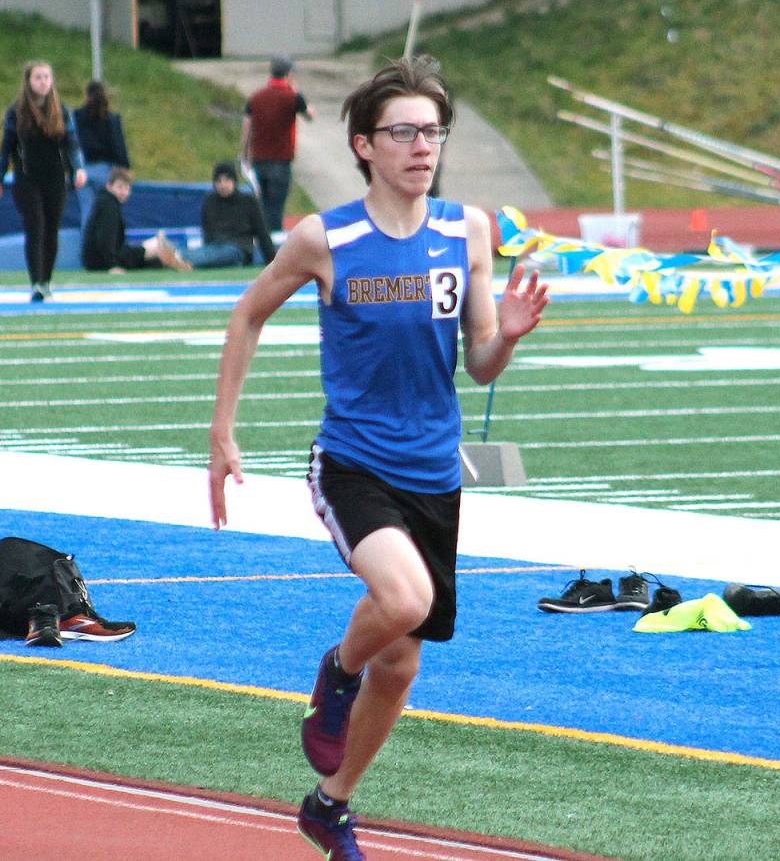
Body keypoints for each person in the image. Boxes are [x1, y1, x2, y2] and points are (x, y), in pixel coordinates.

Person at [208, 56, 549, 859]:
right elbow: (247, 313)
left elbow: (480, 362)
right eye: (403, 131)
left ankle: (330, 805)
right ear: (364, 144)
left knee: (401, 668)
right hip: (355, 463)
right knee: (400, 599)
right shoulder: (325, 238)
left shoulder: (468, 230)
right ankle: (334, 673)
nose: (421, 146)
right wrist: (223, 430)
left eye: (432, 131)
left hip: (436, 473)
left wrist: (510, 335)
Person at [0, 61, 87, 303]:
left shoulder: (61, 111)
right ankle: (36, 282)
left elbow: (72, 143)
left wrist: (78, 168)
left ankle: (46, 280)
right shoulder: (17, 112)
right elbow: (7, 147)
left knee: (51, 229)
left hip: (55, 177)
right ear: (29, 82)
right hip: (27, 178)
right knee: (36, 225)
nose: (43, 82)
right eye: (38, 77)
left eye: (46, 77)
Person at [241, 55, 315, 236]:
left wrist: (245, 156)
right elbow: (309, 116)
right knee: (276, 208)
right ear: (289, 74)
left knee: (262, 206)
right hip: (281, 162)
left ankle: (261, 241)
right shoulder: (293, 97)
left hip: (259, 161)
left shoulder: (256, 98)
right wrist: (298, 92)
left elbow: (247, 131)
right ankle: (272, 248)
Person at [81, 167, 191, 273]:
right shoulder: (109, 206)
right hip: (102, 262)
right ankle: (180, 259)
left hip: (101, 259)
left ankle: (174, 258)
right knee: (157, 245)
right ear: (109, 186)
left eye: (127, 188)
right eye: (120, 187)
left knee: (155, 259)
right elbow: (105, 240)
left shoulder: (106, 202)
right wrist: (112, 266)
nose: (123, 192)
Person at [177, 161, 276, 268]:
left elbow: (262, 232)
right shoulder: (210, 201)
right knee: (208, 252)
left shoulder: (248, 201)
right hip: (214, 247)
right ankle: (174, 257)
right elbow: (207, 231)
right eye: (219, 181)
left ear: (234, 181)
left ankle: (178, 257)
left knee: (225, 253)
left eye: (227, 180)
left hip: (238, 249)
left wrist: (272, 260)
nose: (223, 185)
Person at [73, 80, 131, 232]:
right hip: (106, 171)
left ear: (86, 95)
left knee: (87, 211)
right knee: (109, 211)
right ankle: (108, 250)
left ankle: (86, 252)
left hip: (83, 171)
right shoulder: (111, 119)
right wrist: (125, 169)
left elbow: (71, 143)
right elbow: (118, 146)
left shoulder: (76, 116)